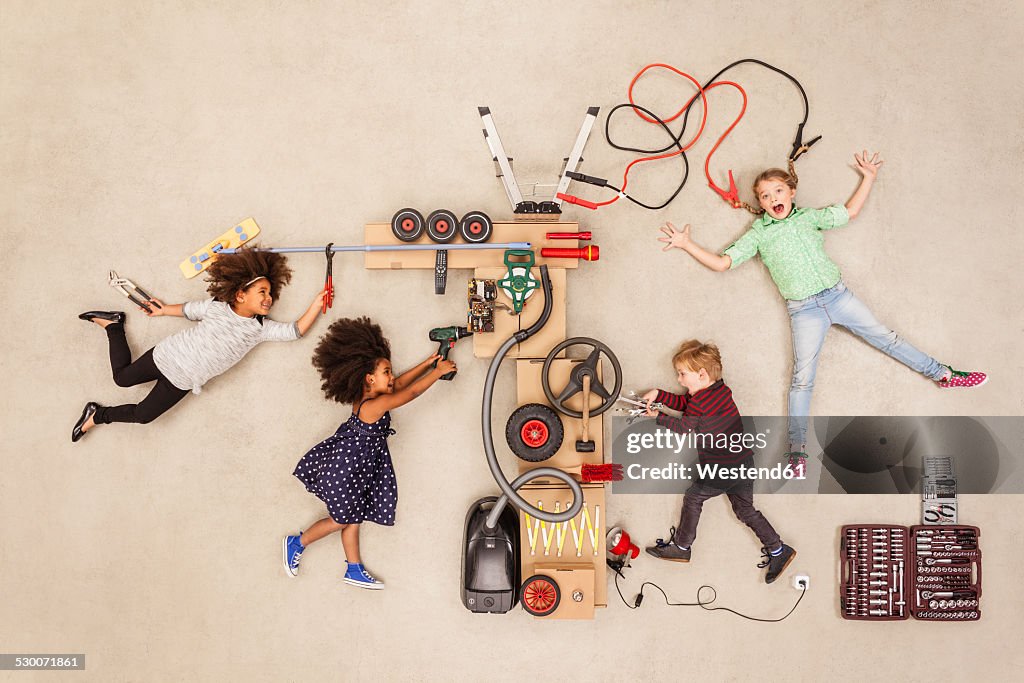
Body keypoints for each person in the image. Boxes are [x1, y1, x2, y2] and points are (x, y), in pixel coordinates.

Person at [658, 151, 987, 471]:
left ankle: (943, 374)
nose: (773, 198)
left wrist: (869, 177)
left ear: (791, 192)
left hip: (838, 296)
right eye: (764, 195)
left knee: (888, 338)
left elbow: (849, 212)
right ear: (759, 204)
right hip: (804, 312)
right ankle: (797, 451)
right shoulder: (759, 234)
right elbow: (723, 263)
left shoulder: (810, 217)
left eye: (778, 191)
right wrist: (687, 244)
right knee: (802, 379)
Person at [72, 247, 326, 442]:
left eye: (270, 293)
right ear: (240, 294)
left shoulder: (260, 329)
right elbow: (187, 310)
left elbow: (295, 331)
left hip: (183, 381)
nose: (269, 298)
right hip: (169, 356)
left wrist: (317, 303)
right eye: (262, 292)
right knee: (122, 379)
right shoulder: (216, 307)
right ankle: (113, 325)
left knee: (144, 416)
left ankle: (97, 415)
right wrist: (163, 311)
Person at [282, 317, 455, 590]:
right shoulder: (374, 406)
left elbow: (398, 386)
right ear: (369, 378)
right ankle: (297, 542)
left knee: (353, 516)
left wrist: (427, 364)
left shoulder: (368, 398)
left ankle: (354, 568)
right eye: (387, 372)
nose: (392, 376)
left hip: (354, 470)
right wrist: (437, 372)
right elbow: (408, 393)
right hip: (345, 472)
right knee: (341, 520)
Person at [641, 340, 795, 584]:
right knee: (745, 510)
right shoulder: (720, 390)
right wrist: (659, 395)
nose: (679, 380)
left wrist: (658, 416)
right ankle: (778, 549)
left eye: (682, 374)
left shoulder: (701, 402)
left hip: (724, 467)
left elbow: (684, 427)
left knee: (694, 497)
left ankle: (682, 547)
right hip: (743, 462)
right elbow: (687, 405)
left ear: (701, 375)